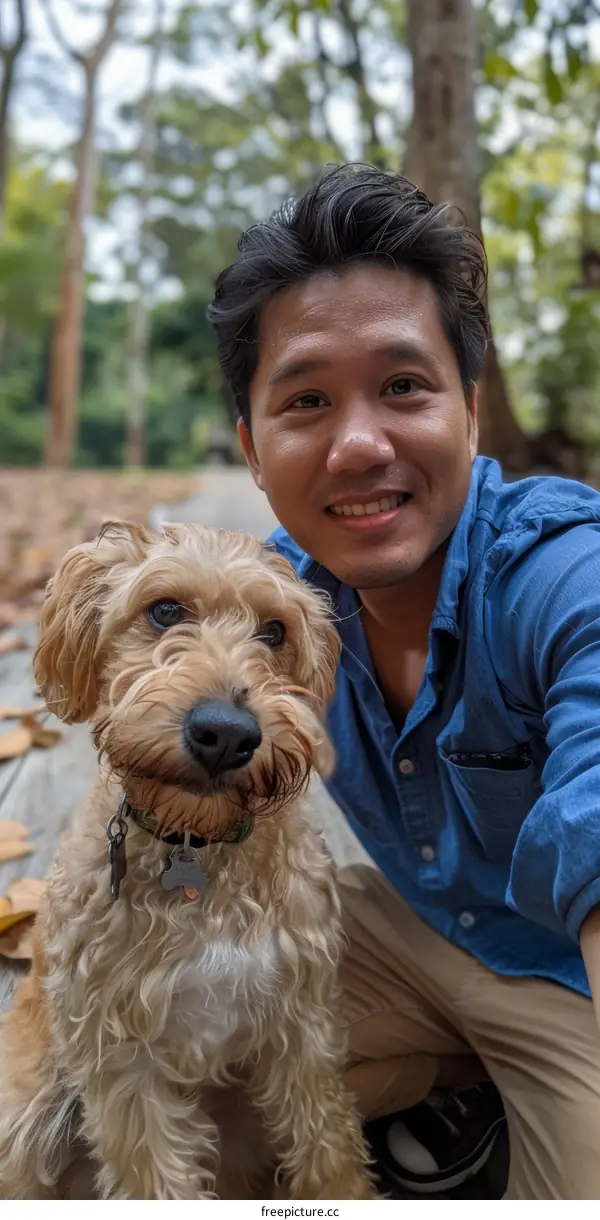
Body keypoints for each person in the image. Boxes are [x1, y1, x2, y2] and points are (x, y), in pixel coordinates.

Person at [208, 163, 600, 1200]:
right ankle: (455, 1084)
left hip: (570, 981)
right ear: (252, 445)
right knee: (159, 1114)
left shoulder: (563, 575)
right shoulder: (270, 606)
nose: (360, 444)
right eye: (305, 400)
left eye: (404, 386)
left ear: (470, 409)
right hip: (400, 930)